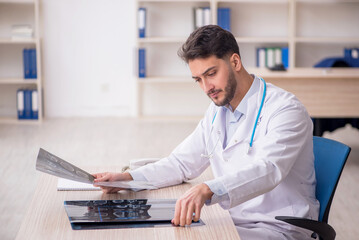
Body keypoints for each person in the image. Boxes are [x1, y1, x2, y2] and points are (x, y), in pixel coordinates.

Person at [93, 25, 319, 240]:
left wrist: (209, 188)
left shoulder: (285, 109)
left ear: (235, 61)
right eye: (198, 80)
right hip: (232, 219)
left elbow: (269, 170)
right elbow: (181, 163)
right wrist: (129, 179)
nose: (206, 87)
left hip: (278, 227)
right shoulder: (218, 110)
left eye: (211, 73)